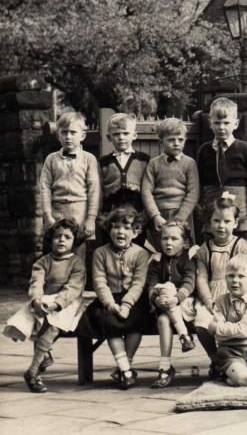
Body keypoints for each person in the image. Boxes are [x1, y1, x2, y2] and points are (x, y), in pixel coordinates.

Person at [4, 219, 87, 393]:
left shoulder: (77, 263)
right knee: (32, 315)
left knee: (54, 325)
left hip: (68, 302)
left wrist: (57, 304)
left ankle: (32, 371)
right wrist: (37, 299)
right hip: (46, 298)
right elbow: (37, 282)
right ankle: (44, 353)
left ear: (74, 241)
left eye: (67, 237)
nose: (62, 240)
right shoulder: (43, 261)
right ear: (51, 240)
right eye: (57, 236)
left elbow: (73, 288)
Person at [89, 207, 150, 389]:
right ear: (109, 230)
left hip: (133, 299)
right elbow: (99, 282)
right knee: (109, 322)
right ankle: (126, 370)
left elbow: (139, 283)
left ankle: (125, 367)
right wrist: (110, 304)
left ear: (136, 231)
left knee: (137, 320)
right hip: (108, 299)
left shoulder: (141, 254)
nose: (120, 231)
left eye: (126, 227)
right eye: (115, 227)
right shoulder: (100, 253)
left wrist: (127, 304)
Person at [193, 193, 247, 376]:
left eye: (227, 221)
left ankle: (236, 358)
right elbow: (201, 278)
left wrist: (235, 296)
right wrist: (208, 300)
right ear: (210, 223)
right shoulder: (205, 249)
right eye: (217, 221)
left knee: (234, 321)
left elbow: (244, 276)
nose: (221, 226)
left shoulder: (241, 246)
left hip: (234, 292)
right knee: (202, 323)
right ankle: (216, 358)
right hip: (212, 293)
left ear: (235, 223)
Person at [208, 254, 247, 387]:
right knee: (243, 379)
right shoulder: (220, 302)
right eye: (231, 276)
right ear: (225, 278)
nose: (235, 280)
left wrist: (218, 328)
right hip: (231, 352)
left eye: (241, 276)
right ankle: (227, 374)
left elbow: (243, 331)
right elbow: (219, 338)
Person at [197, 97, 247, 236]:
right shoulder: (204, 150)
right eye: (217, 123)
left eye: (226, 122)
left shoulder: (245, 150)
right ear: (210, 124)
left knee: (240, 246)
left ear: (236, 124)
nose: (221, 127)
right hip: (213, 208)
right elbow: (200, 180)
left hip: (239, 209)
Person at [146, 221, 196, 388]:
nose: (168, 243)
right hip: (165, 306)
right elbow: (152, 285)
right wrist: (155, 299)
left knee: (168, 287)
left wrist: (176, 298)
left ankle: (183, 334)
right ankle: (165, 366)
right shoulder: (157, 262)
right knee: (162, 319)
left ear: (185, 242)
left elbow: (189, 282)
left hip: (186, 304)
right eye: (165, 238)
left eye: (174, 239)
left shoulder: (187, 259)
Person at [39, 111, 101, 240]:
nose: (68, 137)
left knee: (78, 254)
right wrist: (47, 216)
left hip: (81, 213)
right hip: (57, 213)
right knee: (57, 251)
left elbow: (94, 190)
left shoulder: (89, 159)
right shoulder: (51, 159)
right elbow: (44, 189)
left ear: (83, 135)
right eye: (64, 132)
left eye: (73, 132)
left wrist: (90, 218)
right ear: (58, 136)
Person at [141, 118, 199, 252]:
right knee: (159, 250)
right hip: (159, 215)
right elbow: (146, 191)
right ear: (161, 141)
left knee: (182, 249)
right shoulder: (154, 163)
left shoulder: (189, 163)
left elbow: (193, 192)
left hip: (182, 214)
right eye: (171, 139)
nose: (176, 143)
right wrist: (155, 215)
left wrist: (180, 218)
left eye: (180, 139)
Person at [98, 112, 149, 216]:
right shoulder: (104, 162)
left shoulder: (143, 160)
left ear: (134, 135)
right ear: (109, 137)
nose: (121, 137)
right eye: (116, 134)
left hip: (137, 209)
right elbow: (99, 190)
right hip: (111, 210)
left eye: (126, 133)